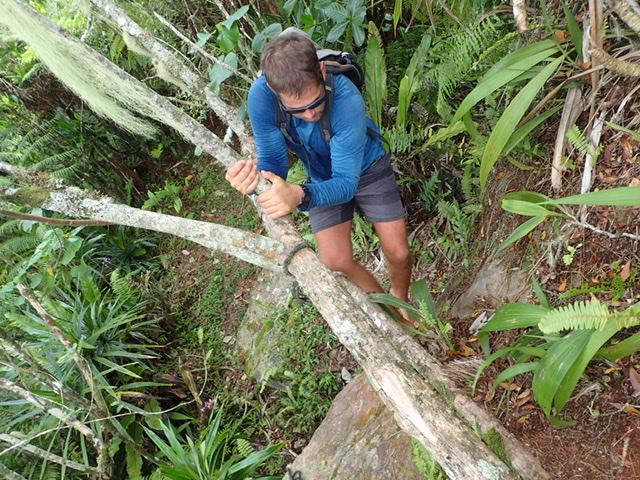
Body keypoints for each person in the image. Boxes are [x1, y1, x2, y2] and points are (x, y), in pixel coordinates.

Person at [225, 29, 413, 325]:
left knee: (398, 253)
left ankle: (402, 300)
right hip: (320, 177)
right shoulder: (262, 97)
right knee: (336, 261)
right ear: (274, 91)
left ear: (322, 71)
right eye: (298, 110)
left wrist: (299, 195)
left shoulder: (346, 97)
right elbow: (274, 163)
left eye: (316, 103)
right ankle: (397, 322)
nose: (311, 114)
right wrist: (253, 183)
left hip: (367, 167)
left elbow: (346, 183)